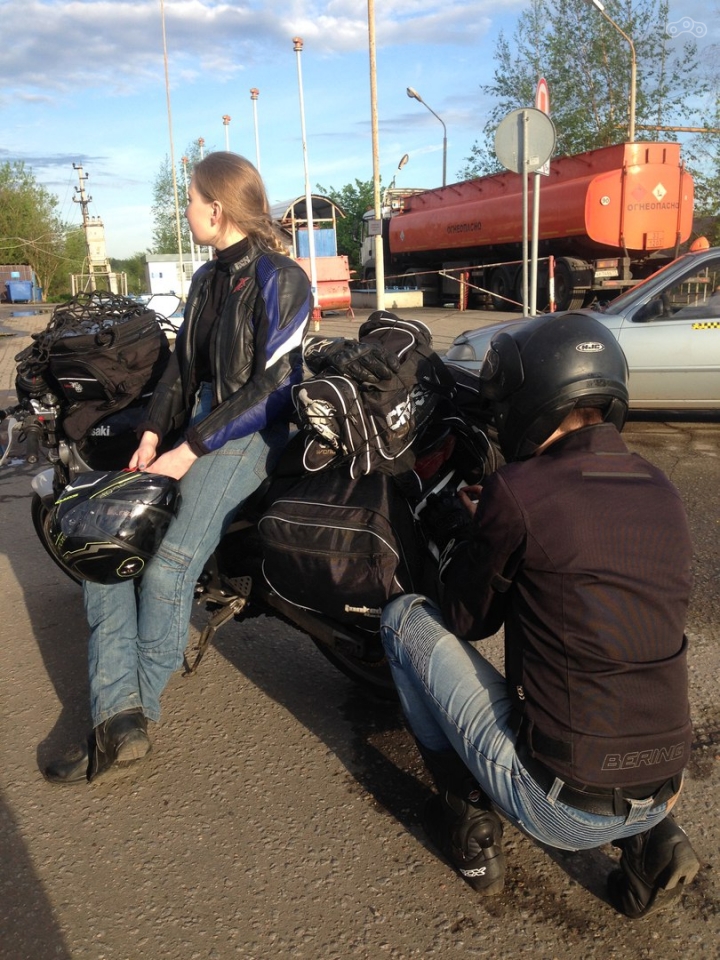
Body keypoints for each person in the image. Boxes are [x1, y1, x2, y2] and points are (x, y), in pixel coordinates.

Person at [380, 313, 700, 918]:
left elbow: (468, 618)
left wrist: (477, 532)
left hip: (560, 803)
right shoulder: (660, 486)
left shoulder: (520, 490)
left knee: (404, 621)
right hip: (665, 785)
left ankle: (468, 822)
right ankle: (652, 840)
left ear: (531, 401)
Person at [45, 152, 312, 784]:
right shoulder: (206, 281)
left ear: (217, 209)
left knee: (168, 564)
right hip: (196, 422)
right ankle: (120, 720)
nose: (184, 211)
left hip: (250, 435)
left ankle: (124, 713)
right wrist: (149, 434)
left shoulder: (282, 277)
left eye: (189, 201)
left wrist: (188, 448)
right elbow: (178, 370)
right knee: (106, 543)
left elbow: (277, 385)